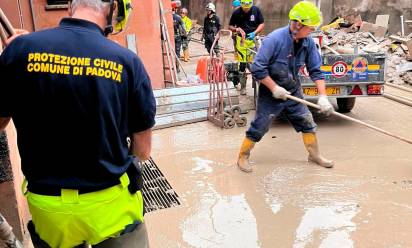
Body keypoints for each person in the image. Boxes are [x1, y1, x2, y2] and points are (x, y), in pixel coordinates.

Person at [0, 0, 156, 246]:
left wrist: (16, 57)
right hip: (111, 205)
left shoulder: (20, 51)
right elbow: (143, 150)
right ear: (111, 11)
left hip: (49, 208)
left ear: (71, 6)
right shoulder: (127, 62)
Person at [236, 1, 334, 173]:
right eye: (310, 27)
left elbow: (316, 71)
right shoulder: (274, 39)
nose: (312, 31)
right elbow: (258, 68)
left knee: (307, 121)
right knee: (260, 125)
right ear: (298, 24)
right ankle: (243, 156)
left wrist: (323, 96)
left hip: (293, 89)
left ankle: (314, 155)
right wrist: (274, 88)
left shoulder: (308, 42)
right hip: (270, 91)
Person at [229, 0, 265, 95]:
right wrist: (236, 29)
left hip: (253, 39)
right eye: (244, 8)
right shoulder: (237, 12)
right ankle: (243, 86)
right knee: (242, 65)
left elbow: (262, 24)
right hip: (241, 41)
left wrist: (254, 32)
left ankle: (257, 86)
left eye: (248, 8)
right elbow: (230, 26)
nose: (246, 10)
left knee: (254, 63)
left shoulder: (256, 10)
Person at [172, 0, 185, 72]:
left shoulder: (167, 17)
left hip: (170, 37)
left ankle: (173, 67)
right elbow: (183, 29)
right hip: (177, 37)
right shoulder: (178, 17)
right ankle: (177, 68)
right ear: (175, 9)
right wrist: (185, 35)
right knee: (177, 53)